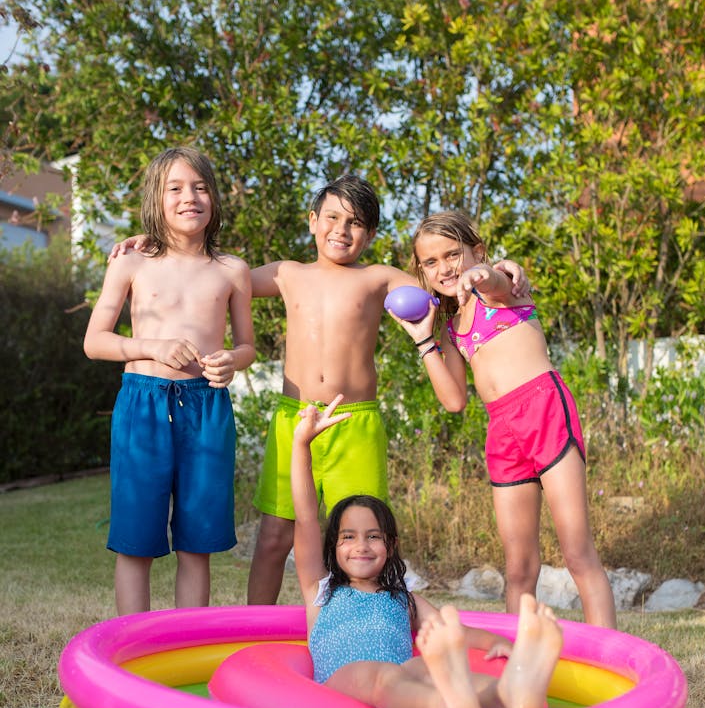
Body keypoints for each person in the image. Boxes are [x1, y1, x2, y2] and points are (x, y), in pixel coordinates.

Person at [110, 173, 530, 605]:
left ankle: (362, 631)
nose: (341, 230)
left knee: (362, 538)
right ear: (312, 221)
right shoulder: (287, 274)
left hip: (356, 423)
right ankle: (257, 637)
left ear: (369, 234)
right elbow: (206, 278)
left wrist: (499, 269)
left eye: (355, 223)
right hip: (295, 420)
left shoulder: (382, 278)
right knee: (274, 538)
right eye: (331, 217)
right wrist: (162, 243)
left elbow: (448, 281)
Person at [390, 210, 616, 629]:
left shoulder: (501, 289)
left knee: (577, 552)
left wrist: (481, 274)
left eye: (452, 255)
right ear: (420, 271)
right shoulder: (451, 329)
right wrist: (423, 339)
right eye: (430, 262)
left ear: (477, 251)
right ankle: (521, 666)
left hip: (544, 409)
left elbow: (492, 280)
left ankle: (610, 661)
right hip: (503, 430)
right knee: (518, 570)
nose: (443, 268)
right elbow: (454, 400)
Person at [292, 396, 563, 708]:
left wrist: (496, 641)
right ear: (333, 546)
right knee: (385, 677)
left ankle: (508, 697)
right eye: (348, 537)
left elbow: (456, 632)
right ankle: (450, 707)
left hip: (400, 674)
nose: (361, 546)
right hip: (344, 682)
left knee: (424, 670)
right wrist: (302, 443)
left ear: (391, 546)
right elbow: (305, 517)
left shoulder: (404, 600)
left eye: (373, 536)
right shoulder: (321, 592)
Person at [84, 147, 255, 615]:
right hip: (143, 405)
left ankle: (185, 645)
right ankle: (131, 655)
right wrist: (151, 346)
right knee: (136, 542)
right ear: (155, 199)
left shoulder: (232, 270)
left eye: (200, 187)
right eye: (175, 188)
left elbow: (247, 346)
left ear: (214, 198)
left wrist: (231, 362)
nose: (189, 197)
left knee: (196, 544)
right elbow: (94, 341)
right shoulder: (131, 262)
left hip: (207, 408)